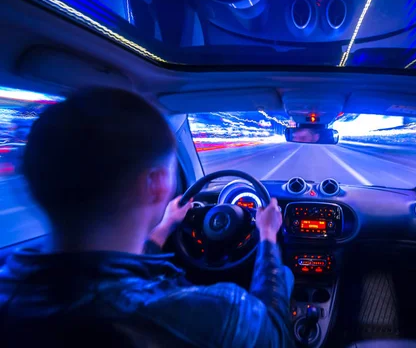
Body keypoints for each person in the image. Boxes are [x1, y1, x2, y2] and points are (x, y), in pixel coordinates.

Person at [0, 88, 294, 347]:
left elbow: (105, 270)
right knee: (286, 275)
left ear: (34, 182)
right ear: (155, 185)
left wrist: (165, 226)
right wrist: (268, 236)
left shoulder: (11, 288)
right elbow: (274, 334)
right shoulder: (215, 314)